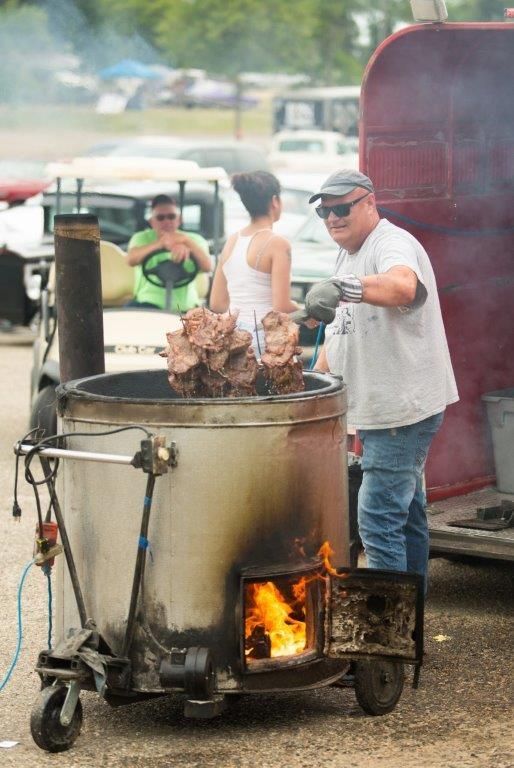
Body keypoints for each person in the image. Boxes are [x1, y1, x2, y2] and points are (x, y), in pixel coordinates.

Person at [293, 169, 458, 592]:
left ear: (369, 201)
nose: (332, 217)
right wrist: (309, 381)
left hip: (401, 411)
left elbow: (403, 287)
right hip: (382, 410)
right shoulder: (347, 254)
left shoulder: (391, 242)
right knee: (407, 514)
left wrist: (346, 288)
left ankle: (387, 629)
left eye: (342, 207)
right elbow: (341, 335)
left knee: (378, 519)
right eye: (324, 211)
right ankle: (411, 621)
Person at [209, 171, 298, 351]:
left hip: (232, 338)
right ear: (275, 201)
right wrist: (305, 311)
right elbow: (281, 306)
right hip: (264, 339)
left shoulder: (231, 241)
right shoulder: (278, 244)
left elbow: (217, 303)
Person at [126, 194, 212, 312]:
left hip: (187, 308)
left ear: (180, 219)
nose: (166, 221)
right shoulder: (141, 238)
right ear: (152, 222)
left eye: (171, 217)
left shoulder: (195, 240)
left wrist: (186, 242)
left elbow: (208, 267)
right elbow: (130, 259)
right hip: (147, 305)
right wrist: (160, 244)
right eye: (161, 218)